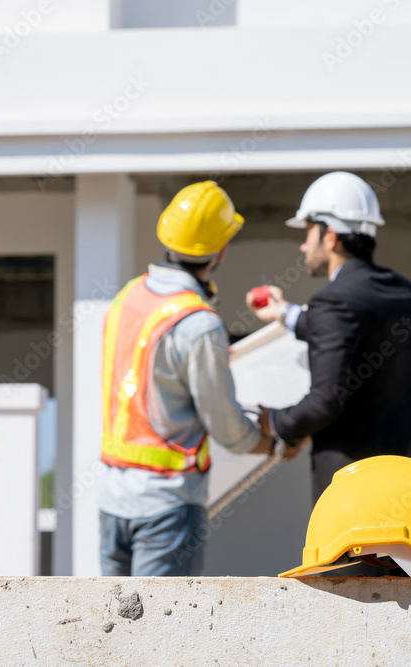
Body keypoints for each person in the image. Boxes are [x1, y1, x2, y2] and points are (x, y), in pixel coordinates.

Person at [99, 180, 303, 577]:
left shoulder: (124, 299)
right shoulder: (198, 324)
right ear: (221, 250)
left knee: (118, 633)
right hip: (167, 506)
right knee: (162, 633)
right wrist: (275, 445)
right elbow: (226, 428)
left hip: (111, 498)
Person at [247, 171, 411, 576]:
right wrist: (285, 314)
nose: (302, 243)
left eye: (308, 231)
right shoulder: (402, 293)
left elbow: (326, 400)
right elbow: (353, 328)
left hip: (355, 492)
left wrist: (277, 423)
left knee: (356, 600)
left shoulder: (333, 301)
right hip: (409, 481)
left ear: (330, 235)